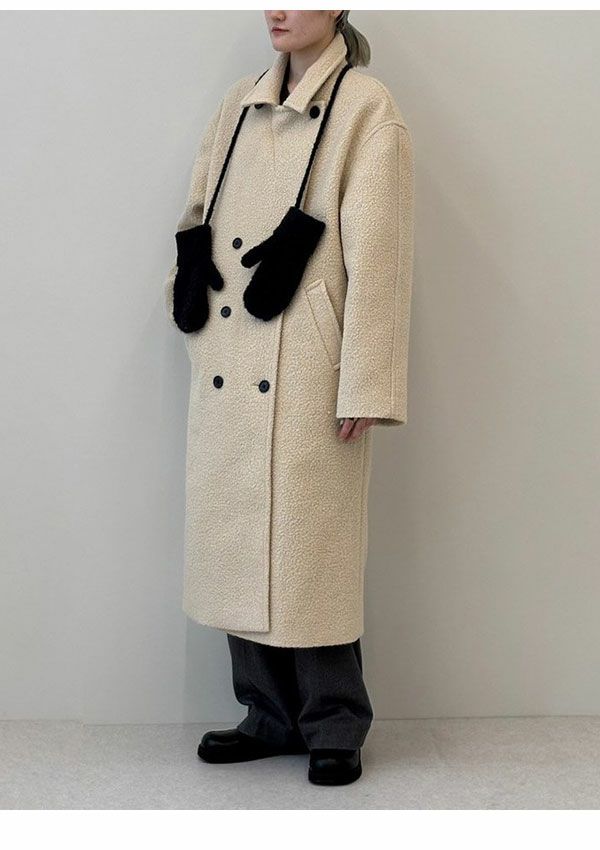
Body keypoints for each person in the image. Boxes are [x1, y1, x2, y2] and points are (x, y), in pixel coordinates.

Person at [163, 10, 414, 786]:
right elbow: (198, 209)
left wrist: (366, 380)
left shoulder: (366, 105)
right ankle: (265, 714)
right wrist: (185, 285)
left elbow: (380, 256)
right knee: (237, 540)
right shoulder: (238, 102)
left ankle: (334, 721)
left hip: (309, 365)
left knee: (312, 552)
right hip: (230, 353)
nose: (275, 9)